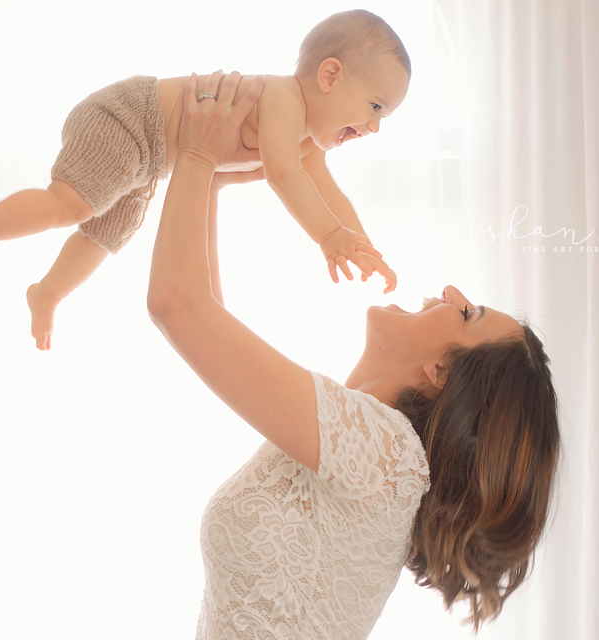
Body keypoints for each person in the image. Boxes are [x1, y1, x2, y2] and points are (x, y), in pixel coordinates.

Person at [147, 70, 561, 639]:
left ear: (441, 370)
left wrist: (195, 153)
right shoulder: (367, 445)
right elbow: (207, 314)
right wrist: (212, 180)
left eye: (468, 314)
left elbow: (178, 305)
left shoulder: (386, 455)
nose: (452, 293)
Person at [0, 9, 409, 350]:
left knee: (104, 235)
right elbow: (284, 177)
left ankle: (46, 292)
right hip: (129, 118)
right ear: (329, 74)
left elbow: (330, 195)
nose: (374, 127)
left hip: (152, 161)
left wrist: (363, 248)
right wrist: (328, 239)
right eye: (375, 108)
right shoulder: (284, 98)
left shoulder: (307, 139)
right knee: (72, 204)